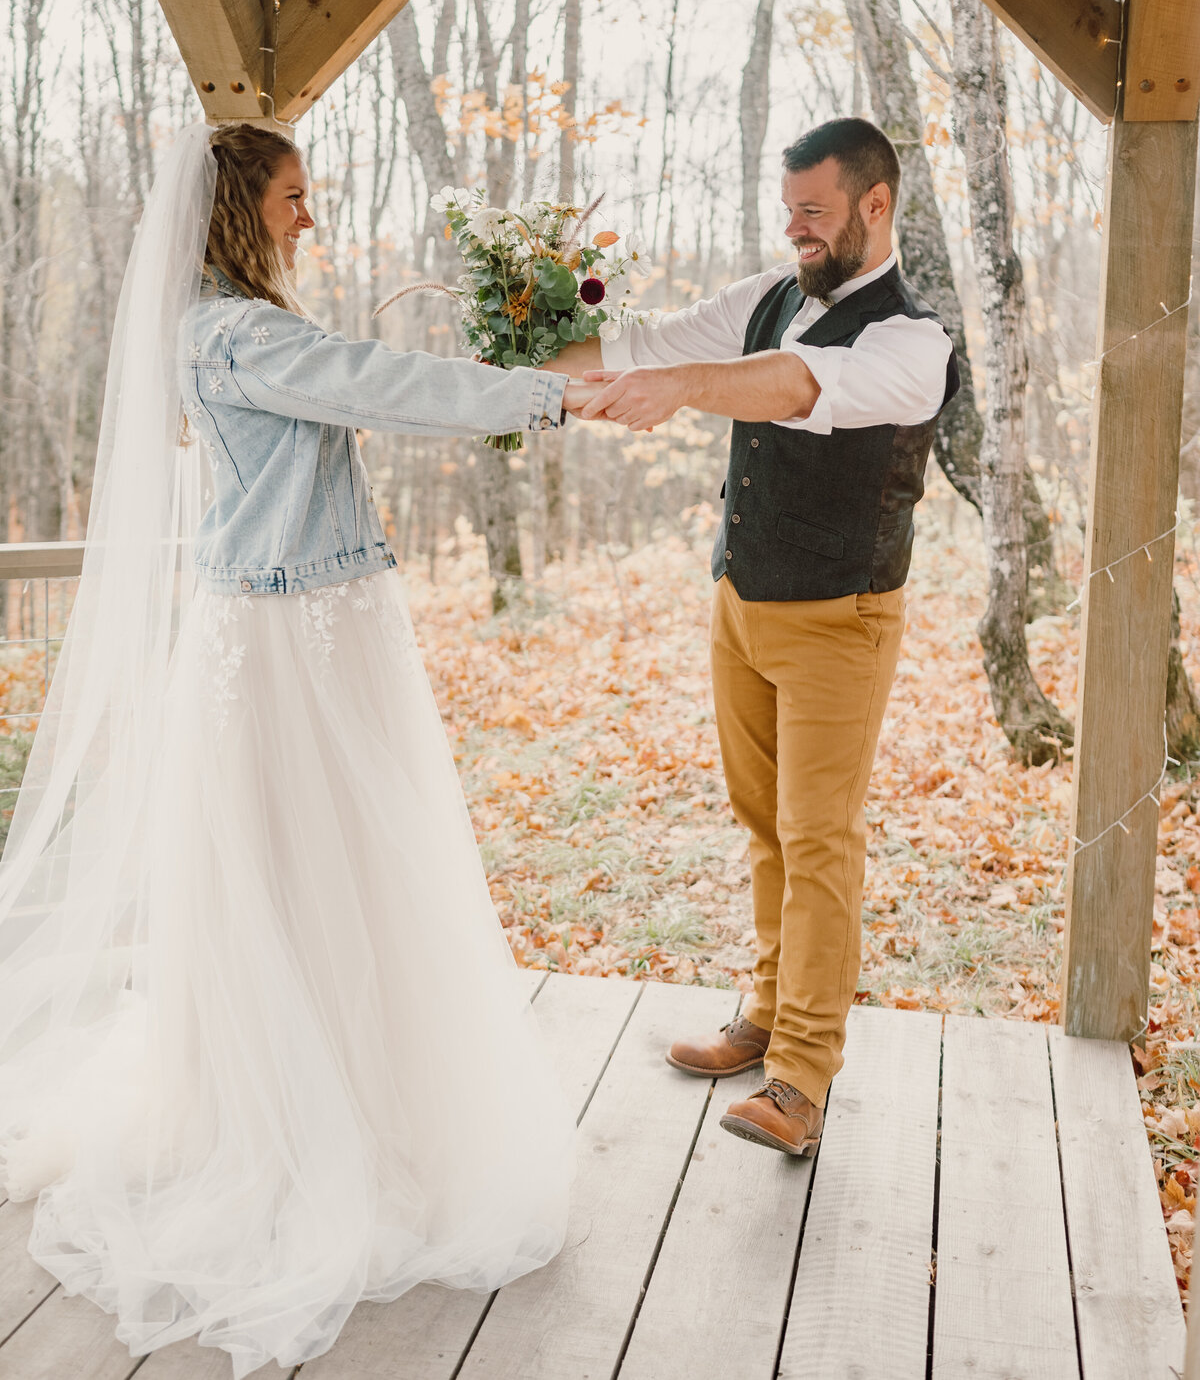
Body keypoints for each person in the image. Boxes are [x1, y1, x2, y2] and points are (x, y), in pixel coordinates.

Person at [0, 122, 596, 1377]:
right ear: (236, 211)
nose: (310, 217)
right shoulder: (235, 335)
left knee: (346, 878)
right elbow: (382, 381)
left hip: (310, 620)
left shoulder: (229, 333)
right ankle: (297, 1129)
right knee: (301, 877)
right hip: (282, 646)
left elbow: (337, 402)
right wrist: (549, 390)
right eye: (294, 197)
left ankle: (361, 1093)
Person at [550, 117, 958, 1156]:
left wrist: (679, 391)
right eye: (789, 210)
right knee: (763, 823)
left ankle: (803, 1077)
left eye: (815, 212)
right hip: (741, 601)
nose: (797, 230)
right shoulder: (769, 293)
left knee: (820, 838)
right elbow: (645, 344)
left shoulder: (913, 341)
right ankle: (767, 1014)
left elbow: (794, 385)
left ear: (877, 205)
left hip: (840, 618)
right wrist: (517, 356)